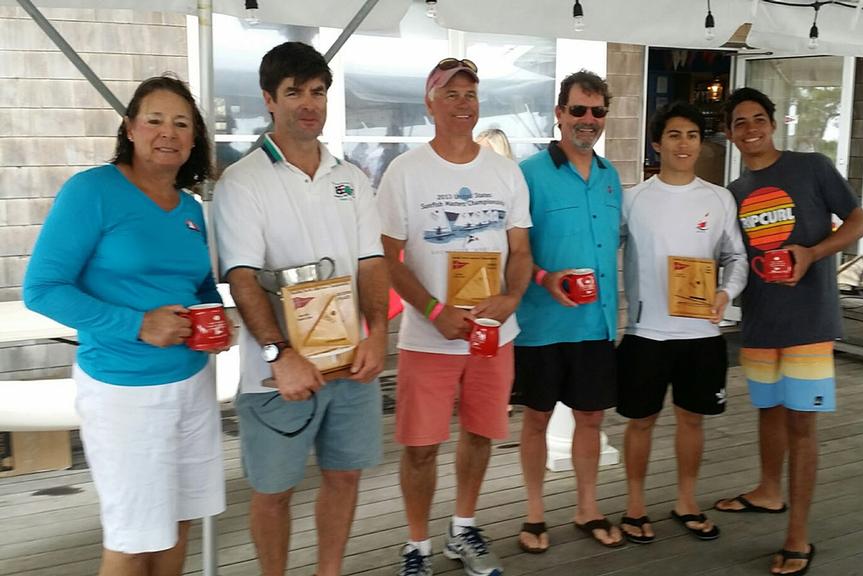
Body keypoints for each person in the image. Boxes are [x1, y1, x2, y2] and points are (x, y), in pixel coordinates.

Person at [23, 75, 226, 576]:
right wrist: (137, 324)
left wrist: (213, 317)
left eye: (182, 123)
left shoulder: (190, 208)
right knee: (134, 539)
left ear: (194, 138)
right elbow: (43, 288)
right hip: (124, 392)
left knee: (178, 524)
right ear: (130, 129)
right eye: (154, 119)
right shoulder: (93, 191)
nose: (168, 132)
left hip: (193, 384)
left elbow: (196, 284)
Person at [212, 42, 388, 576]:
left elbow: (372, 262)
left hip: (350, 363)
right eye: (294, 93)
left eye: (317, 92)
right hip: (278, 373)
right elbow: (241, 276)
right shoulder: (242, 182)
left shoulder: (350, 177)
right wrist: (278, 353)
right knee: (273, 490)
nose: (308, 104)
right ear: (269, 99)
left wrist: (379, 331)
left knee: (346, 475)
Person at [378, 58, 533, 576]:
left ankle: (463, 527)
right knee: (420, 448)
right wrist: (432, 310)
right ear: (430, 103)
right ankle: (417, 546)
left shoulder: (504, 171)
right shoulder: (404, 171)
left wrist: (511, 298)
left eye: (469, 94)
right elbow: (387, 259)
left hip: (493, 335)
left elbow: (521, 250)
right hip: (429, 337)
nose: (462, 104)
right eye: (450, 94)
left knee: (481, 433)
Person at [716, 87, 863, 576]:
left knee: (802, 423)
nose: (750, 129)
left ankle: (798, 536)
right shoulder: (735, 193)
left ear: (773, 122)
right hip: (761, 320)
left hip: (808, 319)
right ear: (730, 133)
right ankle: (767, 490)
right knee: (769, 411)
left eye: (758, 118)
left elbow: (859, 221)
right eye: (740, 122)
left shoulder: (812, 167)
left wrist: (813, 253)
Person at [617, 100, 747, 544]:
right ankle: (634, 507)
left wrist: (726, 292)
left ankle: (686, 501)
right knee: (641, 422)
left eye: (692, 135)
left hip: (701, 333)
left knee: (693, 420)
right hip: (645, 332)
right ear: (657, 143)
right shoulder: (632, 199)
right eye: (674, 135)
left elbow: (735, 258)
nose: (684, 143)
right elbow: (601, 252)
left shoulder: (719, 198)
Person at [514, 70, 624, 552]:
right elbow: (508, 249)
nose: (588, 119)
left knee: (592, 420)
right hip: (541, 324)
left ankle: (587, 507)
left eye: (597, 111)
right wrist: (543, 278)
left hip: (596, 323)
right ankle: (535, 514)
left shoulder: (610, 177)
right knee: (536, 419)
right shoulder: (527, 173)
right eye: (578, 109)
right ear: (559, 114)